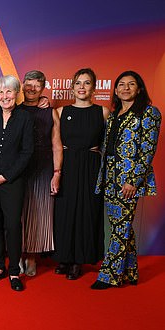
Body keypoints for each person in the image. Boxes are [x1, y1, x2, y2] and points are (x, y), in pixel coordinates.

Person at [92, 71, 161, 289]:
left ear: (139, 89)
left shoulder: (149, 113)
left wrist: (133, 180)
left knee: (120, 227)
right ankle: (131, 271)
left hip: (127, 180)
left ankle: (109, 275)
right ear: (115, 90)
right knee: (121, 225)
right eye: (121, 84)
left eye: (131, 84)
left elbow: (148, 150)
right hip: (109, 175)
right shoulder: (114, 115)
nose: (125, 88)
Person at [53, 68, 109, 280]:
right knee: (65, 211)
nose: (82, 87)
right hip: (67, 165)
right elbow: (55, 143)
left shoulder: (102, 112)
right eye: (78, 83)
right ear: (72, 87)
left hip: (91, 166)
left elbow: (109, 143)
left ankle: (79, 259)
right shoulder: (60, 112)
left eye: (87, 83)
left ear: (93, 87)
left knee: (87, 211)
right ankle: (64, 257)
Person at [0, 75, 34, 291]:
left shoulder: (24, 118)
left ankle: (14, 271)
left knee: (12, 226)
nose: (5, 96)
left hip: (12, 181)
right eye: (1, 92)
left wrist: (7, 176)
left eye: (9, 92)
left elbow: (27, 152)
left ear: (16, 93)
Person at [19, 70, 63, 276]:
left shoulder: (50, 111)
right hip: (19, 168)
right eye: (29, 84)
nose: (32, 89)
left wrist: (57, 172)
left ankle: (32, 256)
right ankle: (18, 252)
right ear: (22, 86)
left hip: (44, 166)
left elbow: (56, 145)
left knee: (38, 212)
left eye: (37, 86)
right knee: (18, 213)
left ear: (43, 88)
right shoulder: (14, 110)